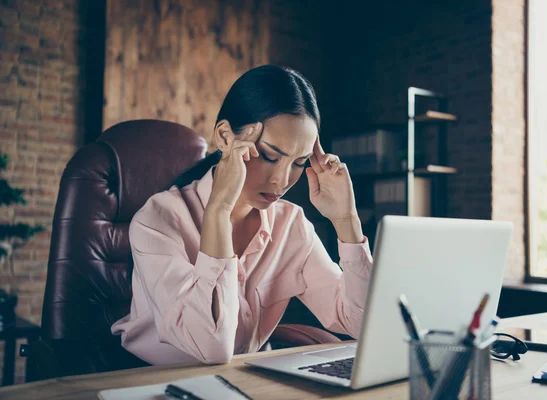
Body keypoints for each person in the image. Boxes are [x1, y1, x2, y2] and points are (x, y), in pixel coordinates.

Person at [111, 65, 373, 365]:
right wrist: (219, 212)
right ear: (224, 136)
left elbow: (359, 324)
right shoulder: (158, 219)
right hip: (145, 381)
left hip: (240, 380)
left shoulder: (290, 225)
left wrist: (346, 221)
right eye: (269, 156)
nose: (282, 180)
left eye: (299, 162)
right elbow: (211, 347)